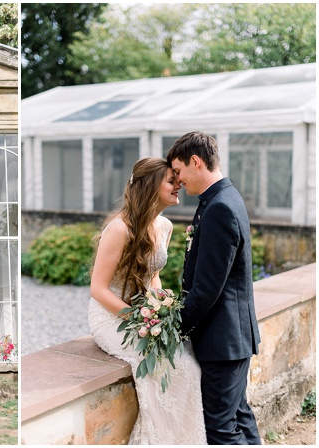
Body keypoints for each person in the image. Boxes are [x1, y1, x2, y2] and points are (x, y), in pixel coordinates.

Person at [88, 157, 207, 445]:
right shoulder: (119, 229)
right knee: (177, 366)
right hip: (113, 318)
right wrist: (138, 320)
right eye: (171, 180)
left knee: (191, 362)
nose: (178, 184)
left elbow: (153, 277)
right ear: (152, 186)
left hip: (146, 317)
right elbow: (98, 289)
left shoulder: (164, 226)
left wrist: (161, 306)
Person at [167, 131, 261, 445]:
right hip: (232, 338)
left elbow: (207, 288)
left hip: (222, 341)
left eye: (178, 171)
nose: (178, 180)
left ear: (196, 162)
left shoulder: (219, 206)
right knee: (239, 417)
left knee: (221, 430)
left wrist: (173, 329)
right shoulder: (225, 197)